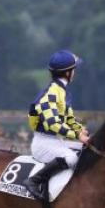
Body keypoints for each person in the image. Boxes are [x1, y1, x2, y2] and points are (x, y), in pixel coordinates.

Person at [23, 50, 89, 200]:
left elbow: (69, 119)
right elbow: (53, 124)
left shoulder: (63, 92)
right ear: (68, 73)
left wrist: (81, 131)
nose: (75, 73)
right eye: (74, 69)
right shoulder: (51, 94)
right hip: (43, 144)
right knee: (71, 158)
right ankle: (34, 181)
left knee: (87, 150)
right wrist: (77, 135)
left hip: (56, 141)